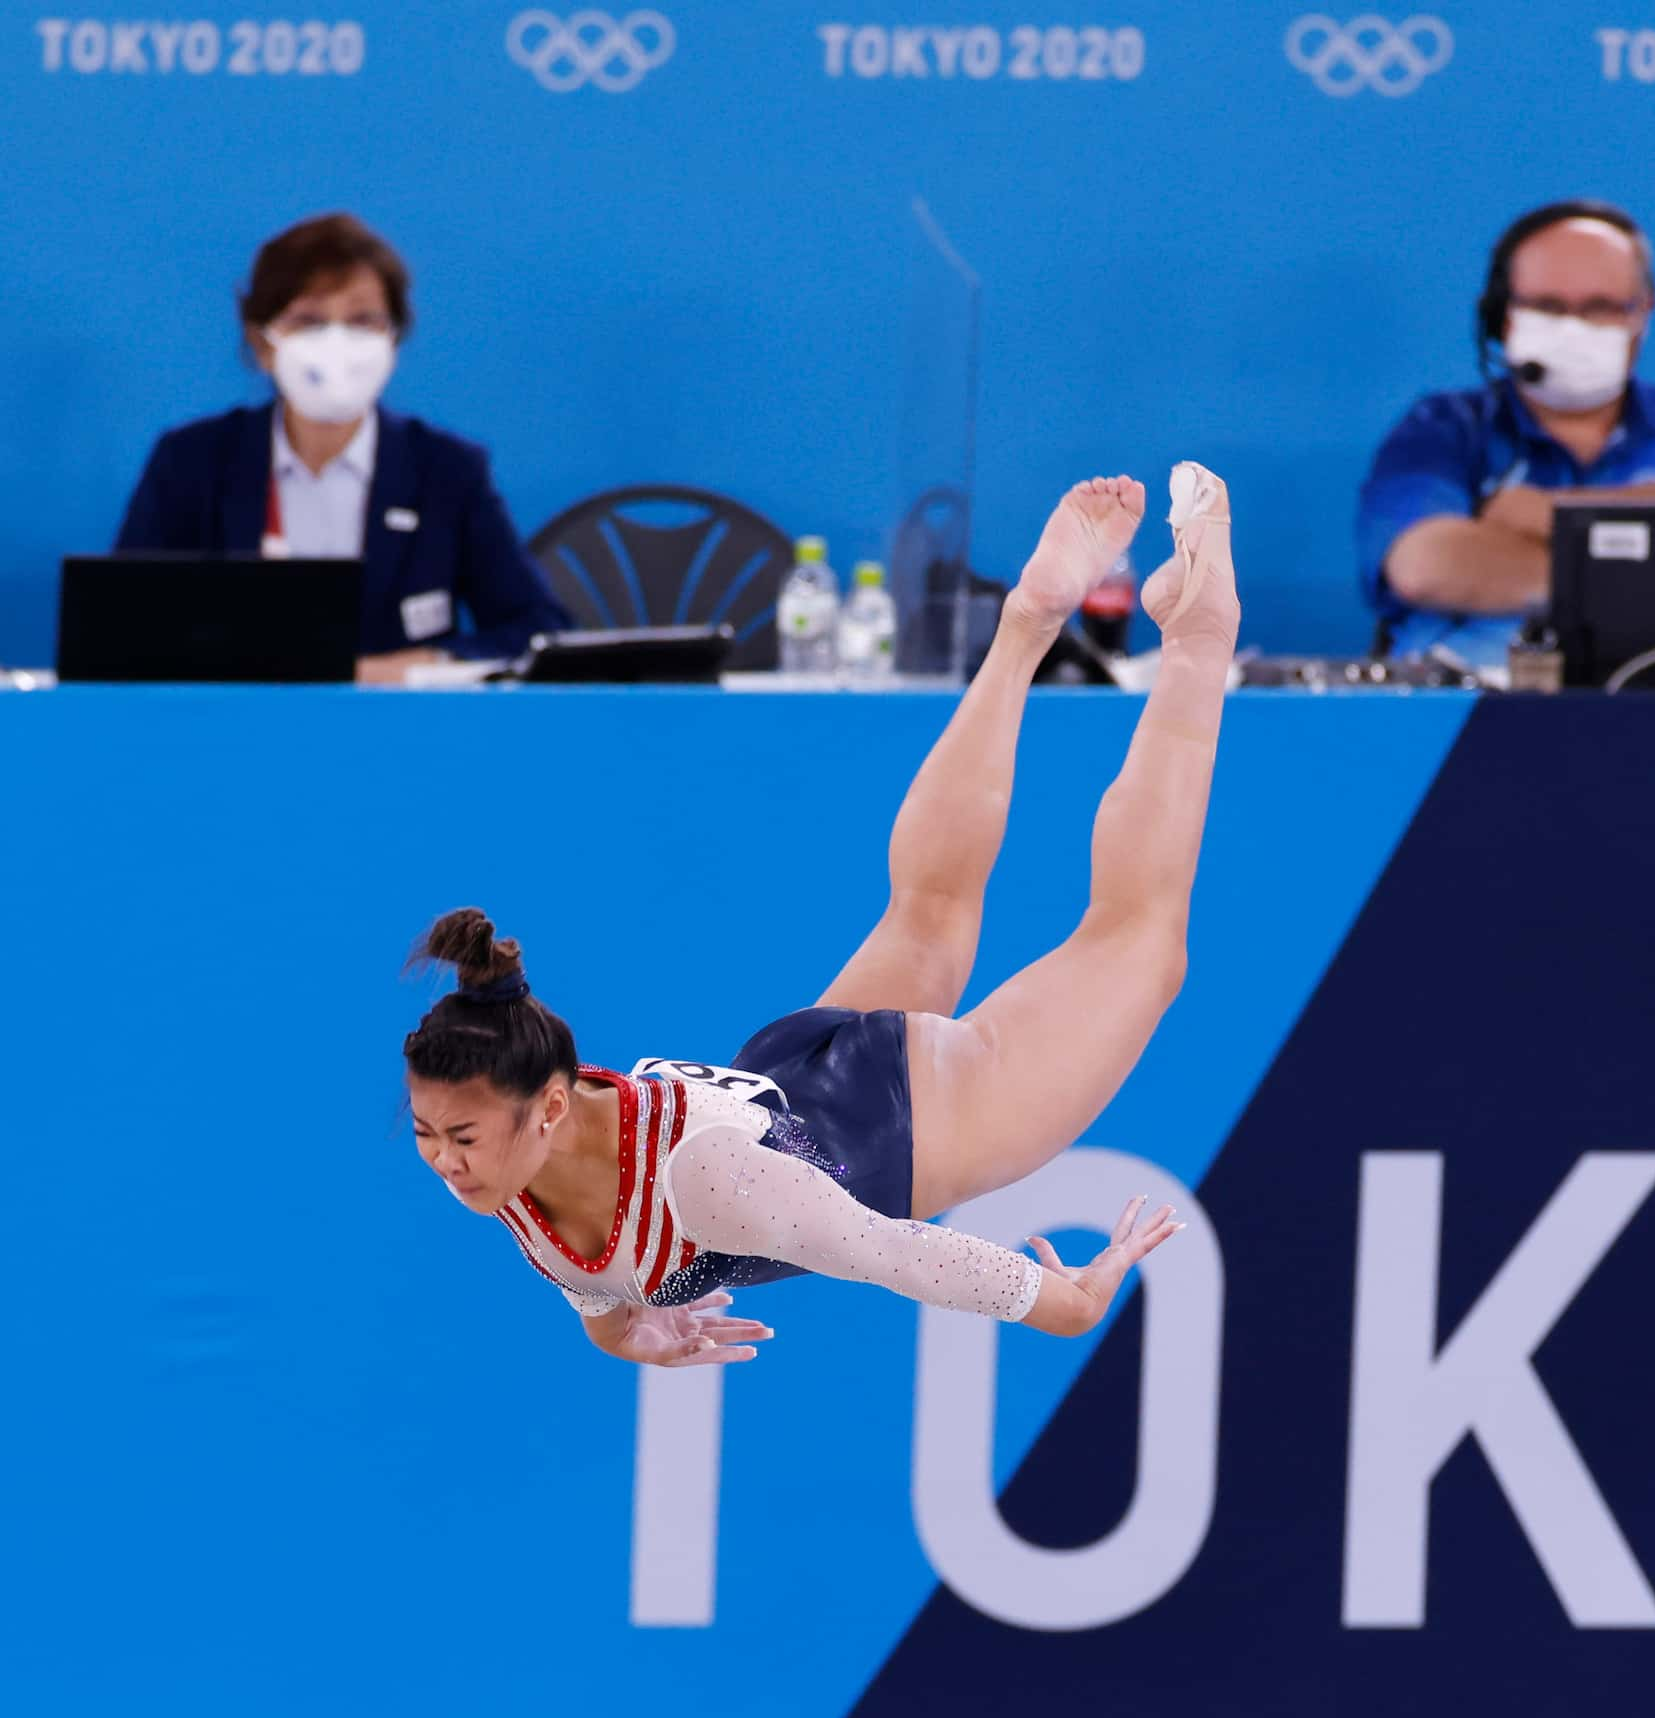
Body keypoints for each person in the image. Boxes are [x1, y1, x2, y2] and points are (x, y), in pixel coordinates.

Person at [403, 465, 1237, 1364]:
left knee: (1141, 940)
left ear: (552, 1108)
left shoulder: (704, 1185)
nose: (445, 1161)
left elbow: (890, 1252)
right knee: (927, 910)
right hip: (790, 1078)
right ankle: (1028, 621)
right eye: (425, 1135)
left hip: (904, 1132)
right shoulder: (514, 1168)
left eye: (458, 1137)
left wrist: (1063, 1304)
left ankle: (1197, 635)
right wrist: (630, 1340)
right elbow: (592, 1282)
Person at [115, 212, 567, 684]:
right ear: (263, 342)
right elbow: (121, 627)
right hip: (234, 728)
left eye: (362, 320)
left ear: (393, 338)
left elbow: (536, 628)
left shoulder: (445, 470)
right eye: (309, 320)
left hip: (398, 734)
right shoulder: (194, 462)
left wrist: (418, 666)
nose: (337, 343)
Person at [1357, 199, 1655, 669]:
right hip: (1468, 709)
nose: (1574, 327)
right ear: (1503, 314)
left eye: (1601, 308)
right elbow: (1426, 569)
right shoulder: (1442, 431)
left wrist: (1537, 513)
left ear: (1643, 313)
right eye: (1548, 306)